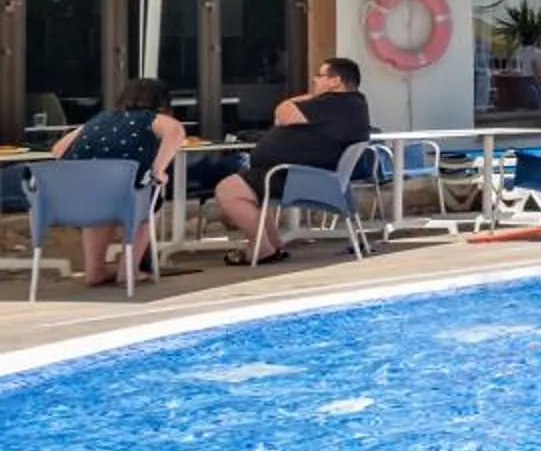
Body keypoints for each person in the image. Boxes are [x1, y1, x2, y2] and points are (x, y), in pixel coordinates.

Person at [212, 57, 372, 265]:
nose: (315, 80)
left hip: (299, 176)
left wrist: (301, 99)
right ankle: (272, 246)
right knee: (247, 192)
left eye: (320, 76)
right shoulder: (349, 105)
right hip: (301, 174)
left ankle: (262, 249)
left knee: (228, 190)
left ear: (335, 81)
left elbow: (283, 114)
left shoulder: (336, 103)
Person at [49, 77, 185, 286]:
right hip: (125, 195)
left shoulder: (100, 119)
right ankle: (128, 270)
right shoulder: (152, 118)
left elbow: (58, 150)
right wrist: (159, 168)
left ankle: (95, 270)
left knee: (99, 207)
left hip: (78, 198)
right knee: (148, 205)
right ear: (162, 102)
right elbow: (176, 131)